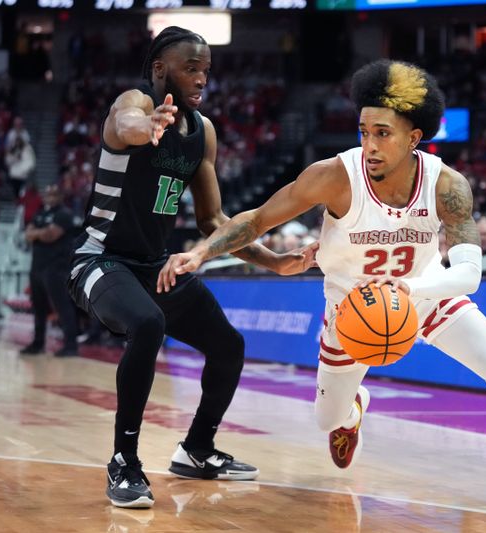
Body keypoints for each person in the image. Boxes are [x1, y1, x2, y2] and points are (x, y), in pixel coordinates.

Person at [159, 59, 486, 506]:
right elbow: (258, 218)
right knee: (326, 420)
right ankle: (351, 412)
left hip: (426, 296)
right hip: (351, 310)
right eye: (364, 132)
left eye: (383, 133)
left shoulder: (447, 185)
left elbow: (470, 275)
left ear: (414, 138)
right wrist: (202, 251)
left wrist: (410, 292)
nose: (370, 145)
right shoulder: (335, 175)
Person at [66, 26, 316, 509]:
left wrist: (272, 262)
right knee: (147, 323)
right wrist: (149, 126)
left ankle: (198, 449)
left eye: (205, 69)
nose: (201, 78)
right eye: (190, 68)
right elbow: (126, 124)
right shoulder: (134, 103)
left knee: (228, 344)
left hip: (155, 265)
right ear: (161, 69)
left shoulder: (202, 131)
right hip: (98, 260)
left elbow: (213, 221)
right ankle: (124, 461)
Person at [20, 184, 80, 357]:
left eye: (54, 195)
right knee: (38, 307)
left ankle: (71, 345)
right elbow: (28, 234)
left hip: (55, 267)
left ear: (60, 196)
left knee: (62, 306)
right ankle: (38, 343)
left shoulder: (64, 214)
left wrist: (37, 233)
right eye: (48, 195)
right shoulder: (40, 213)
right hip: (37, 266)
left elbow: (51, 235)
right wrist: (40, 233)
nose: (50, 198)